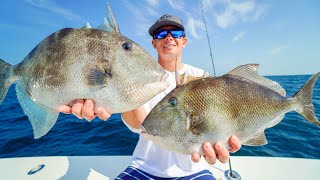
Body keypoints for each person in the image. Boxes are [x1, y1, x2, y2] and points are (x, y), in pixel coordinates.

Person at [59, 14, 241, 179]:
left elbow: (215, 122)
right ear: (154, 43)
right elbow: (138, 125)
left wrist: (226, 140)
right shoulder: (135, 74)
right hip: (143, 167)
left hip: (194, 169)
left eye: (175, 33)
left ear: (184, 41)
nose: (168, 37)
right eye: (161, 35)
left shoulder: (202, 76)